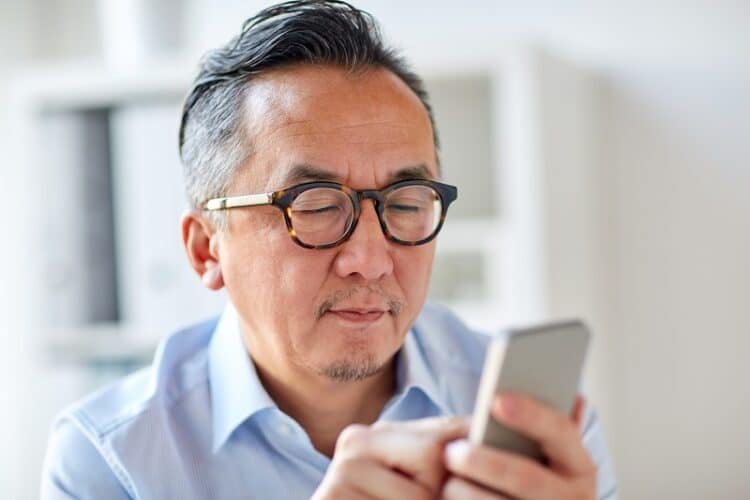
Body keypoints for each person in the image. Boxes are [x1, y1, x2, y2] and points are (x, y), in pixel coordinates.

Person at [41, 1, 617, 498]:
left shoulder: (531, 422)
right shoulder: (109, 462)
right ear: (206, 250)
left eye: (406, 201)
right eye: (315, 205)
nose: (370, 258)